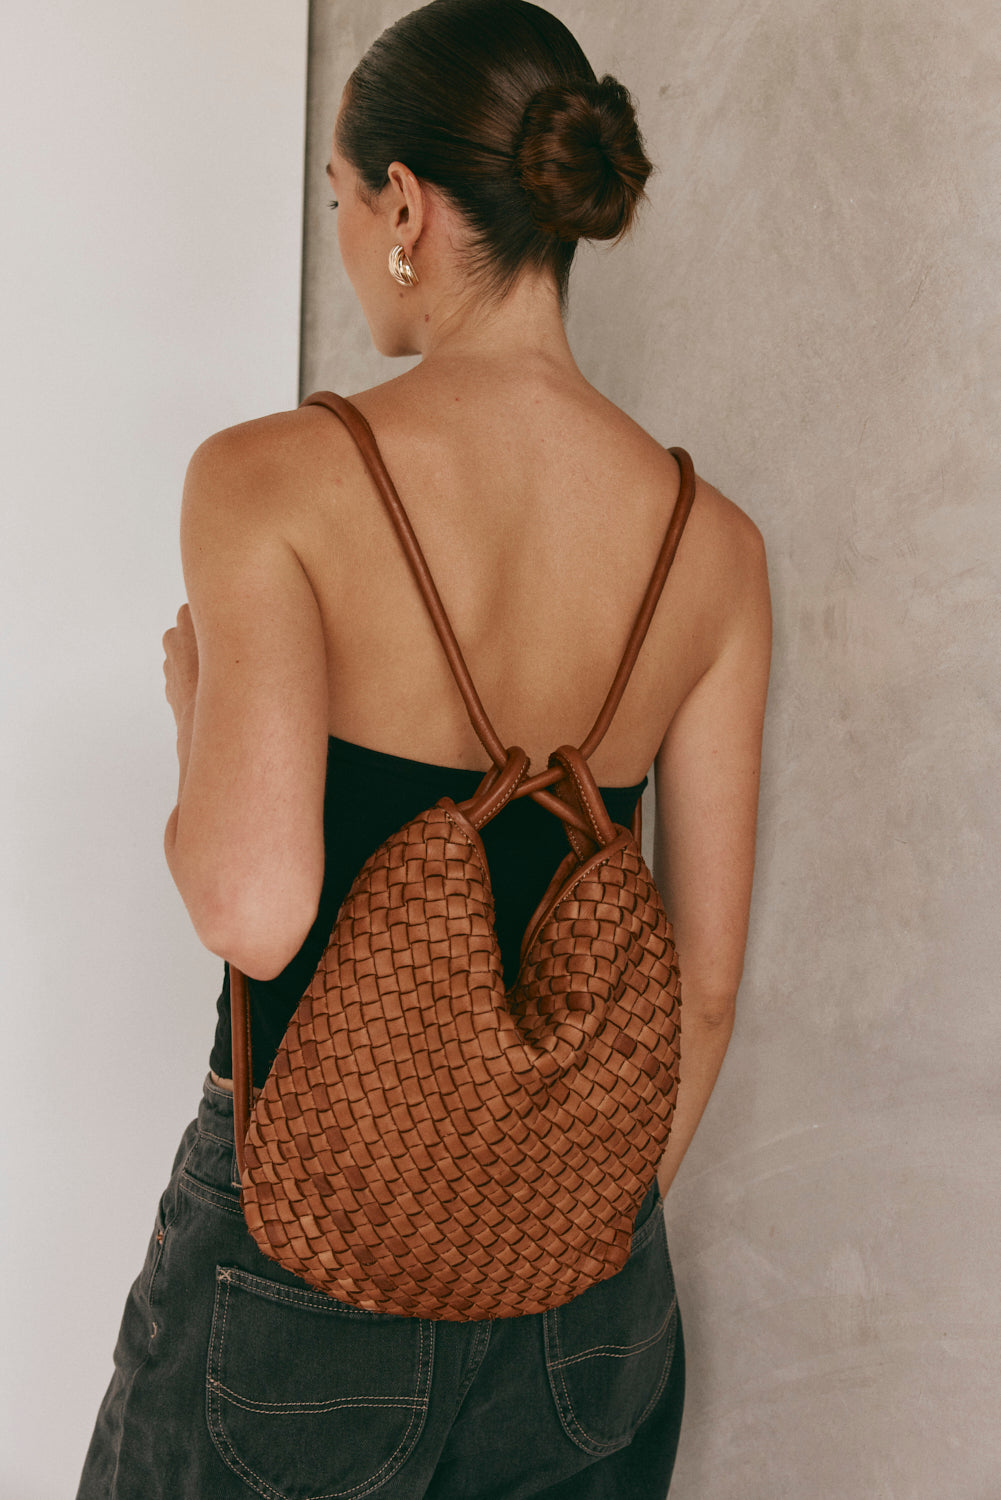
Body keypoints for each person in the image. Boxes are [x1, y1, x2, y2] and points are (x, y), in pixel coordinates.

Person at [77, 0, 770, 1494]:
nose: (342, 234)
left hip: (301, 1275)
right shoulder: (712, 548)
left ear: (404, 207)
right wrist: (541, 1235)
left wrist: (197, 705)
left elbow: (255, 911)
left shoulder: (271, 478)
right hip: (586, 1315)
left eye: (339, 198)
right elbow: (704, 995)